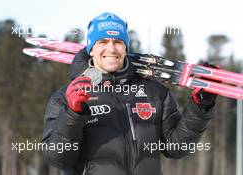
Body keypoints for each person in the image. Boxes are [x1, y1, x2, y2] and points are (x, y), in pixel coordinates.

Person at [42, 12, 217, 175]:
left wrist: (200, 107)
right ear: (91, 49)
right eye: (102, 42)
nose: (111, 49)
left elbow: (176, 147)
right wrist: (73, 114)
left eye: (118, 42)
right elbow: (58, 159)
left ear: (125, 48)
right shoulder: (65, 97)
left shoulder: (154, 92)